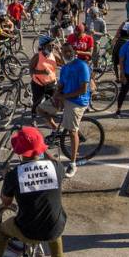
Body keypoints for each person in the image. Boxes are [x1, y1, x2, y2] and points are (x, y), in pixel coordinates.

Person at [0, 126, 67, 257]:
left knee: (3, 231)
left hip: (27, 229)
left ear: (19, 151)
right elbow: (51, 160)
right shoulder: (57, 167)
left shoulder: (15, 174)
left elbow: (6, 202)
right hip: (55, 225)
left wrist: (6, 178)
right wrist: (43, 149)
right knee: (54, 223)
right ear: (41, 148)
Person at [37, 42, 89, 178]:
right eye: (64, 51)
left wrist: (63, 96)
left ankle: (73, 164)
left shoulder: (82, 66)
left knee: (72, 131)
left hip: (78, 101)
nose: (66, 53)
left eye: (69, 51)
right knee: (41, 110)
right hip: (65, 97)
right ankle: (56, 129)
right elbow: (61, 84)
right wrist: (56, 96)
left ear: (74, 51)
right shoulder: (65, 68)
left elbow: (83, 90)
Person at [29, 35, 61, 118]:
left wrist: (60, 51)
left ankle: (49, 117)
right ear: (43, 46)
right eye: (50, 46)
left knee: (51, 103)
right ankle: (34, 115)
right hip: (38, 84)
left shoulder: (54, 55)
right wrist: (42, 72)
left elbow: (65, 63)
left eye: (53, 45)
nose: (52, 47)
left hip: (51, 84)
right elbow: (31, 70)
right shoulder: (37, 56)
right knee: (37, 102)